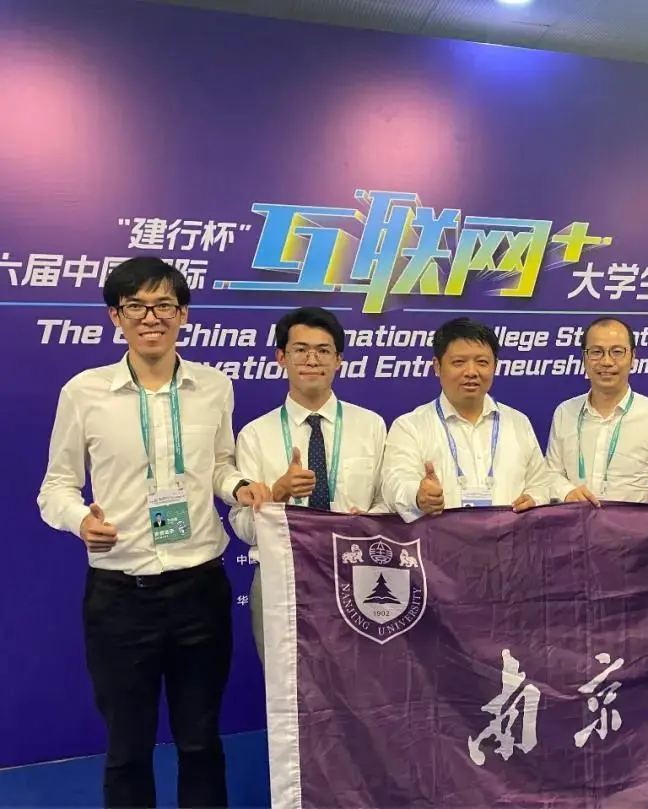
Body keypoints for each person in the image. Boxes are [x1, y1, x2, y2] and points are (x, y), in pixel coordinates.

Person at [36, 256, 272, 809]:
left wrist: (239, 486)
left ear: (182, 314)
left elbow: (218, 464)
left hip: (199, 590)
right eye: (136, 306)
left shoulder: (213, 386)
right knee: (127, 748)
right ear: (115, 316)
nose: (151, 317)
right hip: (121, 596)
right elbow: (56, 486)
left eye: (163, 305)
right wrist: (80, 520)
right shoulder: (84, 392)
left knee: (201, 742)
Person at [229, 306, 389, 665]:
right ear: (281, 357)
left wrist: (367, 521)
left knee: (362, 684)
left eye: (323, 350)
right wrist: (277, 494)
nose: (312, 360)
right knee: (287, 689)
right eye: (300, 350)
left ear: (339, 360)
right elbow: (242, 527)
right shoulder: (255, 435)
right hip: (283, 578)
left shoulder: (371, 426)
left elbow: (388, 503)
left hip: (357, 575)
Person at [381, 317, 551, 521]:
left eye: (482, 362)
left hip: (508, 538)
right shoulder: (410, 426)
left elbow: (540, 483)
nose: (471, 372)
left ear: (495, 366)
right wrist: (418, 496)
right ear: (437, 366)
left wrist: (534, 498)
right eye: (459, 362)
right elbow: (394, 483)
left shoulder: (518, 422)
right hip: (440, 539)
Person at [546, 317, 648, 505]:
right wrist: (567, 492)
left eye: (617, 352)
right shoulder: (565, 412)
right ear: (584, 358)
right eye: (596, 352)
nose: (606, 361)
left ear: (633, 357)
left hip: (631, 524)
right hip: (575, 522)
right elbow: (550, 474)